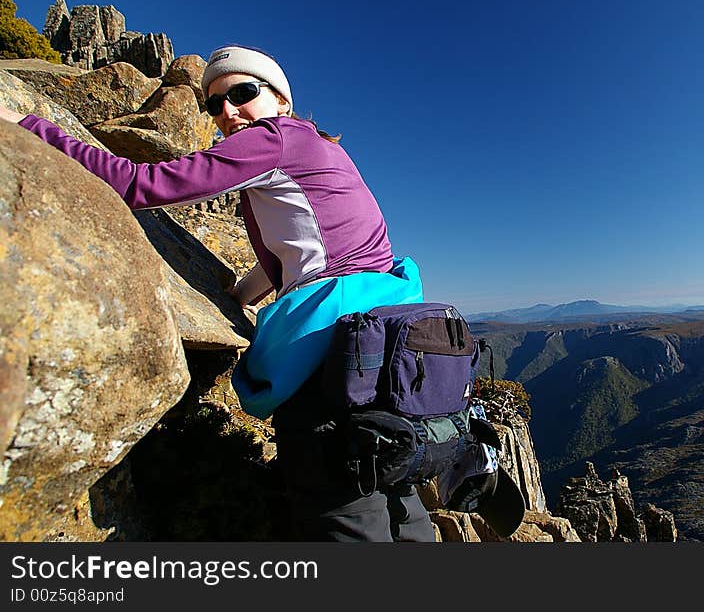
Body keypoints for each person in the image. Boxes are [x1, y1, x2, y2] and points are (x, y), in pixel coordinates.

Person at [0, 45, 435, 542]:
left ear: (281, 101)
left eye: (242, 93)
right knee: (400, 499)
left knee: (342, 514)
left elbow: (140, 184)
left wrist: (28, 125)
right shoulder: (322, 149)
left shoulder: (272, 140)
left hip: (335, 356)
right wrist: (244, 289)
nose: (226, 112)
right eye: (212, 104)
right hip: (391, 345)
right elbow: (316, 244)